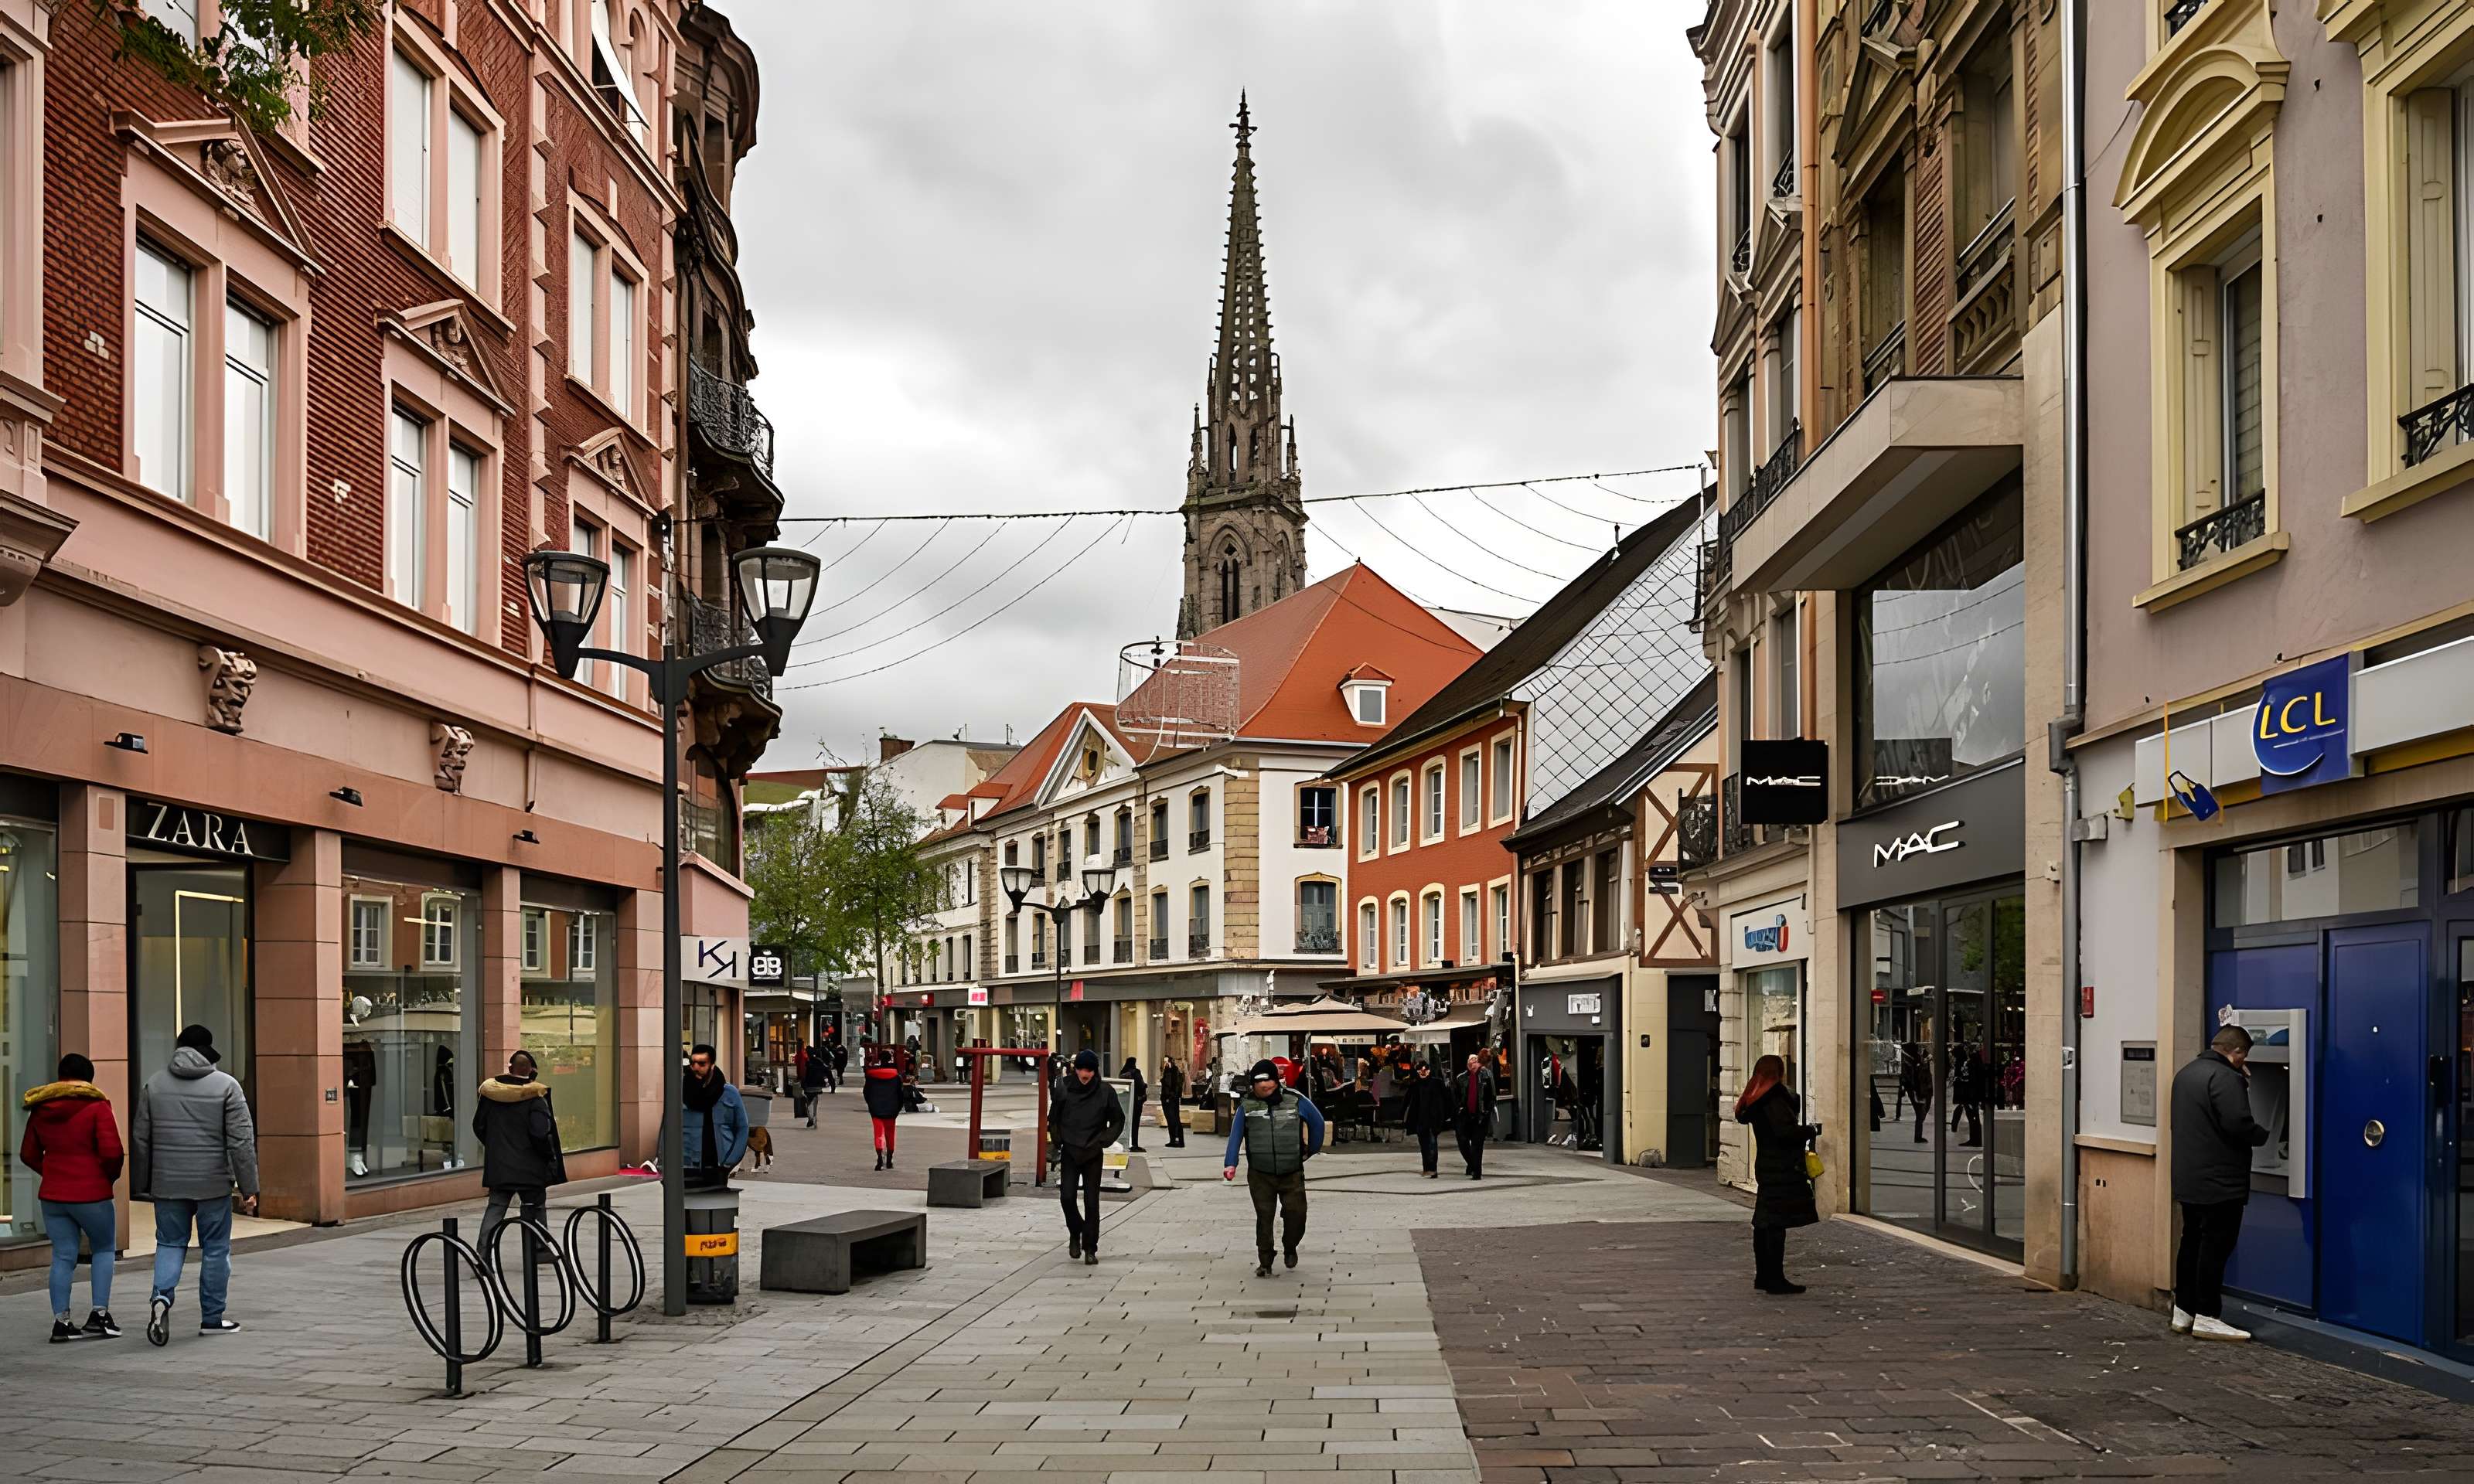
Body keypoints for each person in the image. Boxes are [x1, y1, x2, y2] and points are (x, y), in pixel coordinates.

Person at [133, 1023, 257, 1345]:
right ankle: (213, 1319)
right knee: (215, 1250)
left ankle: (161, 1298)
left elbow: (141, 1138)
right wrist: (249, 1187)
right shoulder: (227, 1086)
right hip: (212, 1185)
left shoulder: (154, 1084)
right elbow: (241, 1142)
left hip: (168, 1184)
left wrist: (143, 1182)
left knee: (170, 1244)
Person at [2170, 1025, 2270, 1342]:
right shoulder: (2227, 1078)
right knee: (2216, 1248)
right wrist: (2267, 1135)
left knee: (2191, 1244)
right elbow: (2238, 1125)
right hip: (2220, 1181)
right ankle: (2208, 1316)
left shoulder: (2186, 1073)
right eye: (2244, 1057)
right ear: (2237, 1052)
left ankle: (2183, 1311)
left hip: (2190, 1177)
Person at [21, 1053, 124, 1341]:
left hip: (53, 1195)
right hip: (92, 1193)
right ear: (89, 1078)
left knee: (63, 1255)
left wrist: (53, 1173)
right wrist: (106, 1178)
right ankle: (100, 1316)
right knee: (103, 1249)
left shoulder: (41, 1107)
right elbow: (113, 1152)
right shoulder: (97, 1106)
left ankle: (61, 1322)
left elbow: (27, 1154)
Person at [1222, 1060, 1325, 1276]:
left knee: (1297, 1213)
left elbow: (1317, 1123)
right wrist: (1231, 1163)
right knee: (1265, 1215)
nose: (1264, 1086)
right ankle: (1265, 1260)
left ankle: (1290, 1245)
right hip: (1260, 1172)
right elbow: (1236, 1135)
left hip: (1291, 1171)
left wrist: (1311, 1150)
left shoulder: (1296, 1100)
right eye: (1258, 1082)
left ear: (1276, 1080)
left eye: (1268, 1080)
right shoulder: (1247, 1106)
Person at [1735, 1053, 1820, 1295]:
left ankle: (1764, 1276)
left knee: (1764, 1223)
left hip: (1767, 1166)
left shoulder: (1756, 1099)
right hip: (1781, 1168)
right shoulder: (1773, 1099)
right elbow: (1785, 1132)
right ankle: (1774, 1278)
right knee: (1775, 1224)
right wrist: (1810, 1131)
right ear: (1778, 1073)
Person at [473, 1050, 566, 1258]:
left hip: (499, 1165)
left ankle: (483, 1253)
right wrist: (547, 1156)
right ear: (531, 1072)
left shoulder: (491, 1095)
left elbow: (478, 1126)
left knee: (496, 1207)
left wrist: (497, 1148)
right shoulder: (535, 1098)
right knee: (535, 1206)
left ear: (510, 1069)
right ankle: (539, 1249)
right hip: (530, 1167)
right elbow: (540, 1133)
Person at [1051, 1049, 1125, 1264]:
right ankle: (1076, 1231)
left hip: (1093, 1152)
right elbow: (1053, 1117)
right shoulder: (1064, 1089)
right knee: (1066, 1197)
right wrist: (1058, 1141)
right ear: (1076, 1069)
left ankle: (1090, 1248)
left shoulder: (1105, 1092)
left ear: (1095, 1071)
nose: (1085, 1074)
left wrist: (1104, 1140)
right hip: (1070, 1151)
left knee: (1092, 1202)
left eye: (1089, 1070)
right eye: (1082, 1069)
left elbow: (1118, 1120)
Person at [679, 1043, 748, 1189]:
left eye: (702, 1063)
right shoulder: (681, 1091)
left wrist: (730, 1161)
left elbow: (742, 1128)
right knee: (689, 1208)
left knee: (715, 1207)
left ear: (712, 1065)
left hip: (718, 1165)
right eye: (693, 1063)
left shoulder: (729, 1092)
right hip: (688, 1163)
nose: (696, 1067)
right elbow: (668, 1128)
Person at [1401, 1058, 1453, 1179]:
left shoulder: (1437, 1083)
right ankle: (1427, 1168)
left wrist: (1448, 1115)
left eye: (1425, 1070)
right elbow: (1407, 1100)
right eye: (1420, 1070)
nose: (1423, 1072)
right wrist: (1401, 1115)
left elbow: (1447, 1099)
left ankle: (1432, 1169)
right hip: (1420, 1119)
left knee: (1432, 1144)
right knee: (1424, 1145)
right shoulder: (1416, 1085)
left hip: (1434, 1119)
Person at [1452, 1052, 1496, 1179]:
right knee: (1463, 1142)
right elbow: (1456, 1096)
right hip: (1465, 1114)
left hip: (1480, 1115)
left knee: (1477, 1144)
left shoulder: (1486, 1075)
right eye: (1470, 1061)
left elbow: (1492, 1096)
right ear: (1467, 1065)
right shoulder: (1461, 1078)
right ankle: (1472, 1164)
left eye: (1475, 1060)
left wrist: (1487, 1112)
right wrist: (1458, 1109)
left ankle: (1477, 1172)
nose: (1473, 1063)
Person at [862, 1047, 905, 1170]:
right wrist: (898, 1108)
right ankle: (890, 1160)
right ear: (890, 1059)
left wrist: (871, 1105)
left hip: (876, 1109)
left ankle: (880, 1157)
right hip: (892, 1109)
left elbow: (866, 1092)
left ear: (879, 1060)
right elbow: (900, 1095)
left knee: (878, 1133)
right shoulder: (896, 1076)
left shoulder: (872, 1075)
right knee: (890, 1134)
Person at [740, 1075, 775, 1175]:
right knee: (758, 1146)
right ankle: (762, 1163)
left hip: (749, 1126)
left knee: (752, 1146)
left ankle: (758, 1164)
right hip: (756, 1125)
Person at [1120, 1057, 1148, 1153]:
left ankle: (1126, 1142)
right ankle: (1134, 1144)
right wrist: (1145, 1085)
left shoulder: (1122, 1073)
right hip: (1137, 1102)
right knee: (1135, 1124)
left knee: (1127, 1123)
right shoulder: (1136, 1072)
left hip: (1126, 1102)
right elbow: (1141, 1086)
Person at [1159, 1054, 1187, 1149]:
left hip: (1170, 1099)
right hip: (1172, 1098)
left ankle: (1176, 1140)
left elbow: (1169, 1085)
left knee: (1173, 1119)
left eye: (1167, 1062)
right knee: (1173, 1119)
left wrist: (1168, 1097)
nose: (1166, 1063)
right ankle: (1175, 1139)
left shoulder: (1171, 1072)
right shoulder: (1172, 1071)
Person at [800, 1042, 830, 1128]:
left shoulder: (807, 1062)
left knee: (809, 1101)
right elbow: (826, 1069)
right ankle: (814, 1118)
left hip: (809, 1084)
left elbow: (803, 1074)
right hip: (818, 1084)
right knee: (815, 1100)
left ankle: (811, 1118)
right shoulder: (819, 1061)